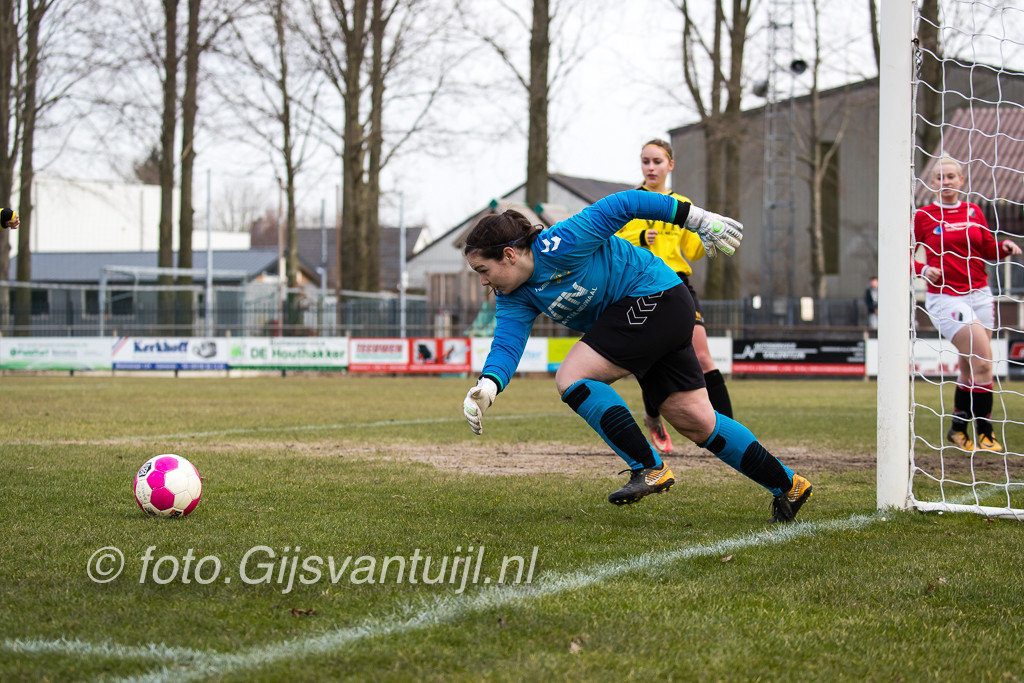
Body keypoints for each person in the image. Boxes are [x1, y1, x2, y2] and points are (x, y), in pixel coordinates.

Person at [461, 189, 813, 523]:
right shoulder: (513, 296)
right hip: (651, 315)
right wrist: (488, 385)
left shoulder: (562, 242)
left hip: (655, 297)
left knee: (572, 376)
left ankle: (648, 467)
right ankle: (789, 485)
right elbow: (507, 344)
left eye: (483, 271)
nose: (483, 283)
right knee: (696, 420)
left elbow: (625, 204)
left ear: (509, 255)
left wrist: (698, 219)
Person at [615, 138, 733, 455]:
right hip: (642, 286)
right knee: (651, 360)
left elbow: (692, 251)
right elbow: (612, 242)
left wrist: (710, 235)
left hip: (678, 284)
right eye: (646, 161)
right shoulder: (630, 200)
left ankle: (731, 434)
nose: (651, 167)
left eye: (657, 161)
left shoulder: (682, 203)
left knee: (703, 357)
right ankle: (653, 417)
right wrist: (640, 235)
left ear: (670, 165)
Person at [914, 157, 1021, 453]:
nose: (946, 182)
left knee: (969, 367)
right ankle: (986, 432)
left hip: (981, 294)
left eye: (951, 176)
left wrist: (1003, 248)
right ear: (932, 183)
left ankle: (958, 428)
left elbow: (987, 249)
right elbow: (903, 254)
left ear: (962, 181)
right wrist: (923, 269)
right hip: (946, 297)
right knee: (984, 364)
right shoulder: (924, 216)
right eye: (940, 177)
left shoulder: (974, 211)